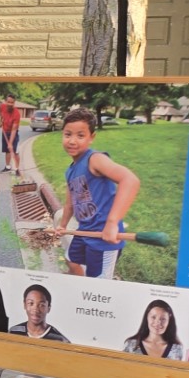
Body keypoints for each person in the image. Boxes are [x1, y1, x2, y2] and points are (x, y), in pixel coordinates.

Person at [51, 109, 141, 279]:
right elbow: (70, 204)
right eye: (67, 134)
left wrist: (112, 223)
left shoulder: (95, 159)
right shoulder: (70, 171)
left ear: (92, 137)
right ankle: (78, 279)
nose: (72, 141)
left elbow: (130, 180)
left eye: (80, 135)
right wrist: (62, 225)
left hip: (103, 238)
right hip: (84, 231)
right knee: (71, 259)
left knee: (98, 282)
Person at [0, 94, 21, 175]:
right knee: (7, 151)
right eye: (8, 102)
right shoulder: (2, 106)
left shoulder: (17, 113)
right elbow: (0, 113)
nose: (10, 104)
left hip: (13, 133)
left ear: (14, 103)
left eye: (12, 102)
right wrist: (0, 121)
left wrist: (10, 143)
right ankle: (8, 167)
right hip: (5, 131)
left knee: (15, 151)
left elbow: (14, 129)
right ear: (6, 101)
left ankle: (17, 169)